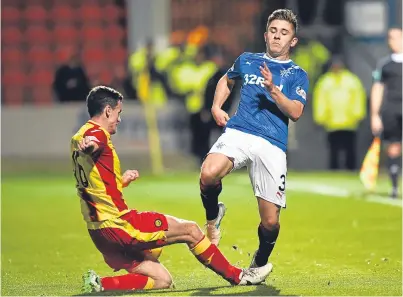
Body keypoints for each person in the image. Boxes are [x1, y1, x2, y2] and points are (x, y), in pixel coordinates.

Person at [71, 86, 272, 293]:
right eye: (118, 113)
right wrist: (90, 146)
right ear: (107, 111)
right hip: (117, 226)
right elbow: (93, 144)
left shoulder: (78, 136)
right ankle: (239, 276)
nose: (119, 119)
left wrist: (120, 181)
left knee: (161, 279)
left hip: (98, 232)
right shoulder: (96, 135)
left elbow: (91, 186)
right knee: (190, 230)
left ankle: (99, 285)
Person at [198, 9, 309, 271]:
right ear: (265, 34)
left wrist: (273, 90)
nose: (277, 37)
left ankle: (259, 261)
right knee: (208, 173)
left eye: (284, 33)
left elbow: (295, 112)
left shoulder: (296, 73)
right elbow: (228, 79)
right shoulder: (247, 60)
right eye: (273, 31)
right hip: (240, 131)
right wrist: (216, 106)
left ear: (293, 41)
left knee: (270, 222)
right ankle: (213, 219)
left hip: (272, 144)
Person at [313, 56, 366, 171]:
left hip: (349, 122)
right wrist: (320, 117)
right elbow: (320, 100)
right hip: (332, 123)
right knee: (334, 150)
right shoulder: (325, 81)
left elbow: (358, 98)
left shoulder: (351, 80)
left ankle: (350, 169)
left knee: (350, 149)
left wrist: (358, 114)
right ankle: (334, 169)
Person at [370, 27, 402, 198]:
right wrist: (375, 115)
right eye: (390, 38)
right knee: (394, 146)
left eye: (397, 37)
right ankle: (395, 186)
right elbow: (377, 89)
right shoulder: (385, 65)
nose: (393, 41)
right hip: (392, 109)